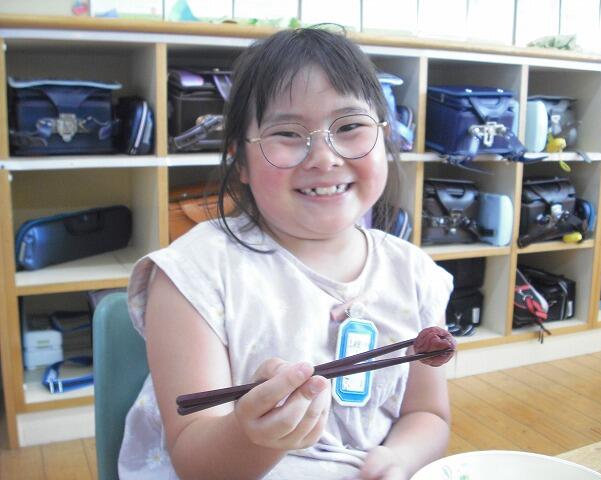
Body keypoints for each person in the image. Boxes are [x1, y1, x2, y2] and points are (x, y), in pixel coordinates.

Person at [119, 26, 454, 480]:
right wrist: (253, 436)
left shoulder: (413, 273)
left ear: (384, 135)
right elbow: (194, 460)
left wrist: (399, 458)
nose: (324, 157)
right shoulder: (194, 274)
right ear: (240, 160)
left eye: (350, 126)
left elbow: (428, 414)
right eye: (287, 133)